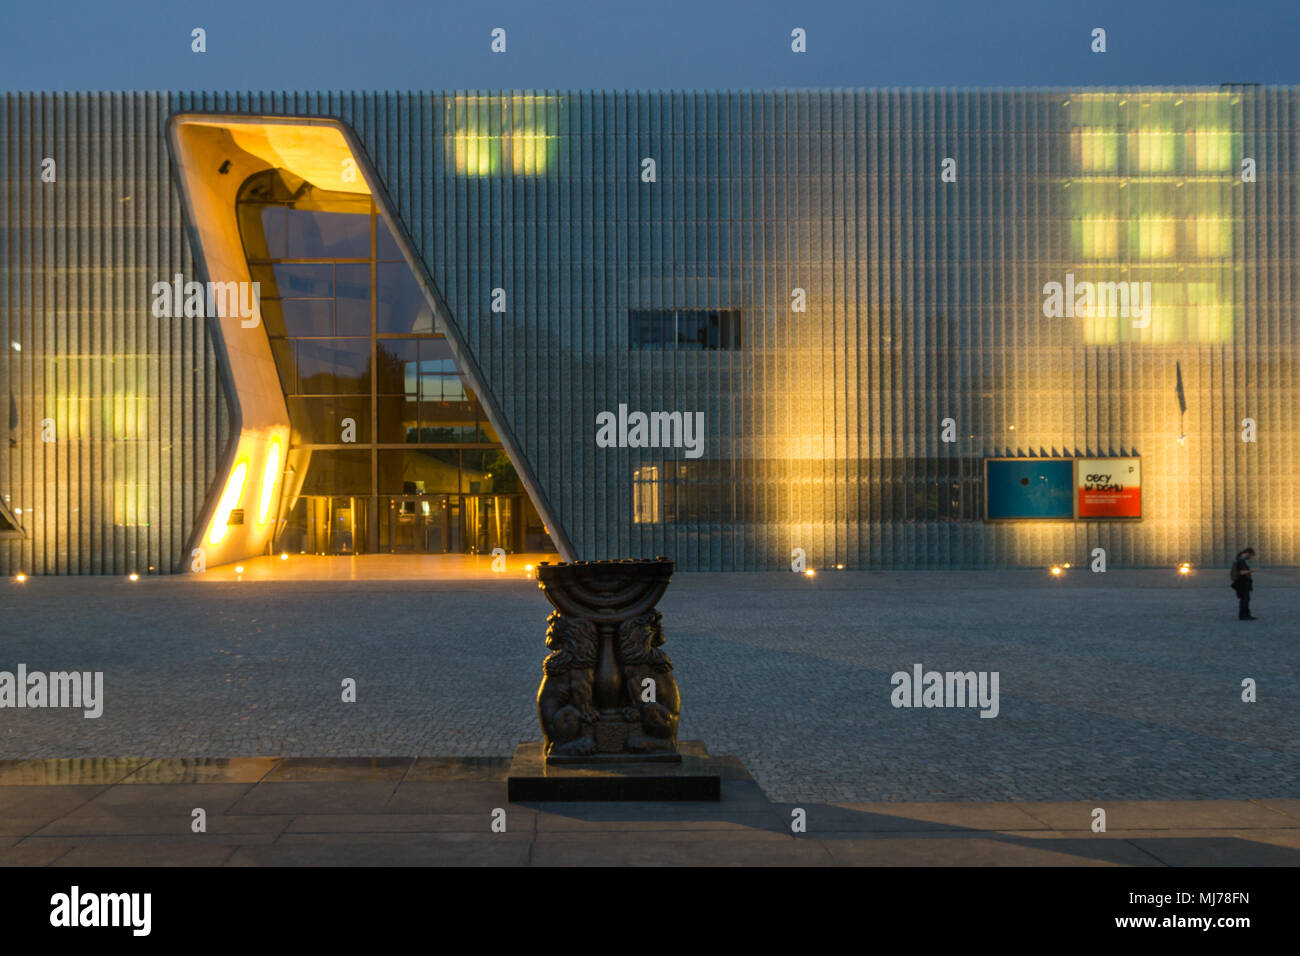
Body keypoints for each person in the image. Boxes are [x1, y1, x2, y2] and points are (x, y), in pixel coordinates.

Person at [1230, 548, 1257, 620]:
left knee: (1244, 599)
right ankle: (1244, 616)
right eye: (1251, 556)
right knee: (1245, 599)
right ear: (1247, 553)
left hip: (1242, 583)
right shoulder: (1241, 561)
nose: (1250, 557)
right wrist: (1251, 571)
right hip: (1243, 583)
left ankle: (1244, 615)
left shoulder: (1239, 560)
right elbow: (1242, 572)